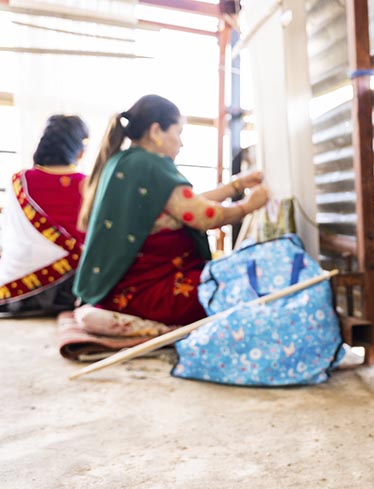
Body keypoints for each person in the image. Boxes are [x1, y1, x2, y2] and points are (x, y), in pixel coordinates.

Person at [73, 94, 268, 326]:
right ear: (156, 132)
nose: (181, 143)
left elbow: (184, 205)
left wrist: (235, 186)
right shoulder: (150, 165)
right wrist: (248, 206)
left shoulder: (123, 162)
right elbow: (204, 216)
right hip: (146, 293)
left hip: (116, 293)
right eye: (178, 132)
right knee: (247, 283)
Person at [0, 114, 89, 316]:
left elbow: (9, 235)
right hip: (70, 292)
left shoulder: (18, 180)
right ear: (81, 152)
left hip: (16, 293)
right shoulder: (88, 183)